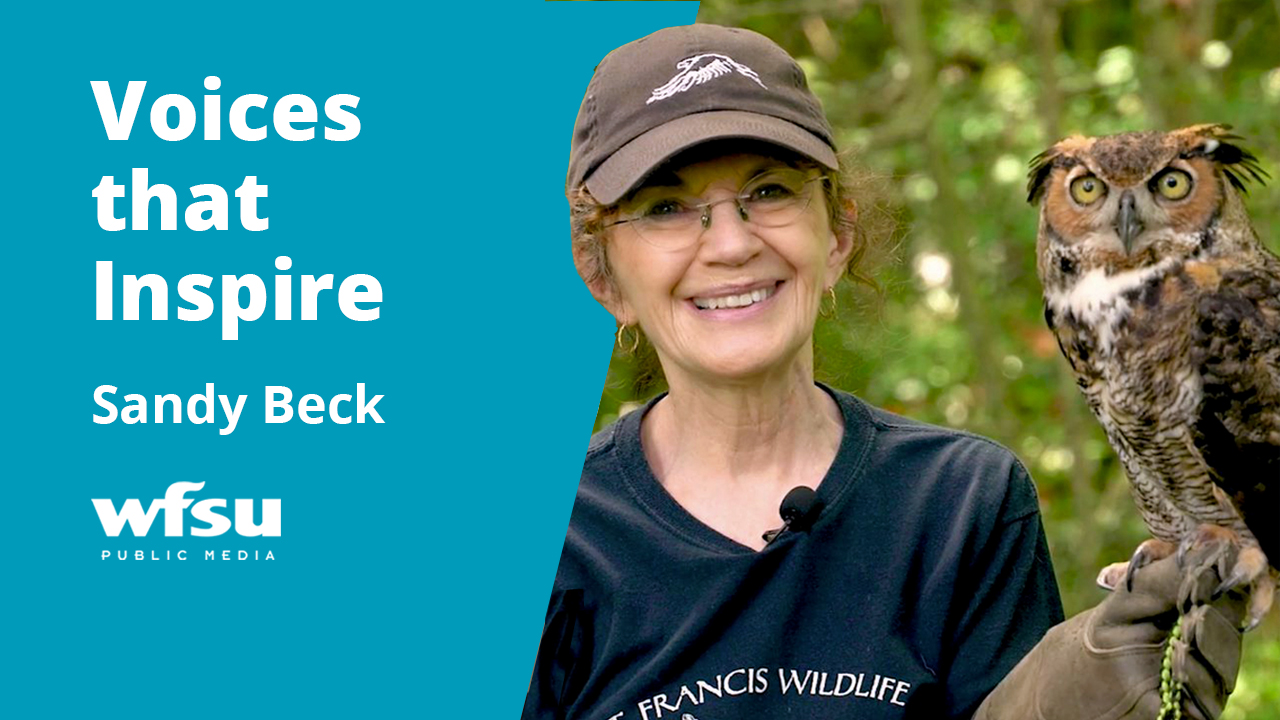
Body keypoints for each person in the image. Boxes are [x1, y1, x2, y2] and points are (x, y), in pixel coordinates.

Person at [525, 23, 1246, 720]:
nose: (732, 244)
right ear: (604, 275)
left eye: (770, 190)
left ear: (837, 233)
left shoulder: (962, 501)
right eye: (667, 208)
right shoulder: (554, 539)